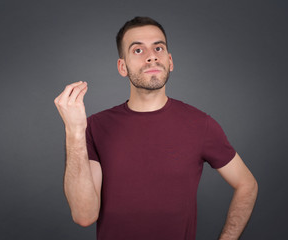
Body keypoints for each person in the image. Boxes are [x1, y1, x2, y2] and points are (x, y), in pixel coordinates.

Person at [54, 16, 258, 240]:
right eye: (138, 51)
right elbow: (84, 215)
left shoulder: (200, 124)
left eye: (158, 48)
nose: (152, 56)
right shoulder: (95, 127)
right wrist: (74, 132)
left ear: (170, 61)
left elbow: (246, 184)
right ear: (122, 66)